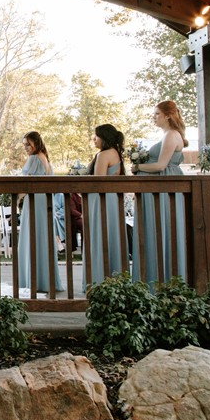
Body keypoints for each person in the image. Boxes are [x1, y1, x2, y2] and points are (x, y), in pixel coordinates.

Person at [130, 100, 188, 285]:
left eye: (156, 114)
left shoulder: (171, 135)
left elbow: (161, 165)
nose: (153, 117)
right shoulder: (167, 135)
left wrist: (137, 166)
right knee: (154, 229)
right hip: (157, 186)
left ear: (168, 115)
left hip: (163, 188)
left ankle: (161, 280)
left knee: (161, 228)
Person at [15, 131, 65, 294]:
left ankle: (33, 279)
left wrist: (16, 200)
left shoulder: (34, 159)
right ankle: (45, 279)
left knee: (32, 236)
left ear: (36, 143)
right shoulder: (45, 158)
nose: (26, 148)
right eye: (24, 145)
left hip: (35, 200)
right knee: (42, 237)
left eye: (28, 144)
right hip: (45, 201)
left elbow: (25, 185)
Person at [83, 124, 126, 291]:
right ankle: (115, 278)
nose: (94, 139)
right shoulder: (116, 153)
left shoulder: (103, 155)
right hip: (113, 200)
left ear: (104, 137)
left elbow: (97, 181)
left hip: (100, 199)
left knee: (98, 235)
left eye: (96, 136)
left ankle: (98, 280)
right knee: (112, 235)